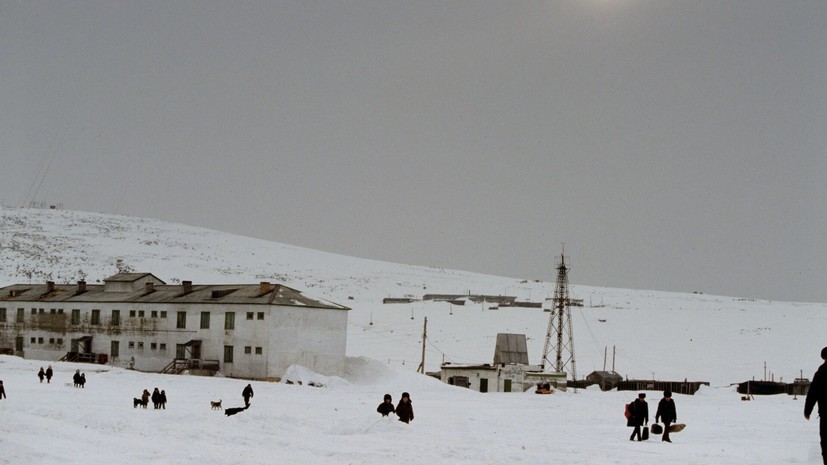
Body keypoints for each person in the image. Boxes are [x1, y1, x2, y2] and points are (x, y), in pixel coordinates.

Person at [805, 346, 827, 465]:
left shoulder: (821, 373)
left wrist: (807, 411)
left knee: (826, 444)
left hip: (826, 415)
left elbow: (813, 393)